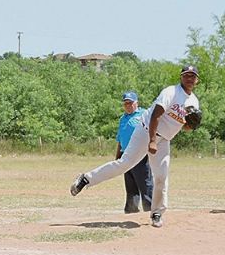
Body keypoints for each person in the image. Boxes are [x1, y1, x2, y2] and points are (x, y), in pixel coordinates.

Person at [71, 65, 202, 228]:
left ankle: (157, 213)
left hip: (165, 139)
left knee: (161, 176)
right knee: (124, 164)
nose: (189, 78)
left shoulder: (193, 101)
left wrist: (190, 125)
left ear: (197, 80)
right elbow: (155, 115)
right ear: (181, 77)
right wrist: (152, 140)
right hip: (146, 131)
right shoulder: (171, 93)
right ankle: (85, 179)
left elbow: (184, 125)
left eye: (192, 76)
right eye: (186, 75)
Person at [115, 91, 153, 214]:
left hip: (140, 154)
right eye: (126, 103)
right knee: (130, 185)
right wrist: (118, 156)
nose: (128, 105)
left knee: (145, 184)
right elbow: (120, 138)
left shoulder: (144, 114)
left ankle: (150, 210)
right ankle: (131, 211)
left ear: (136, 103)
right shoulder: (123, 118)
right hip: (126, 155)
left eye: (130, 103)